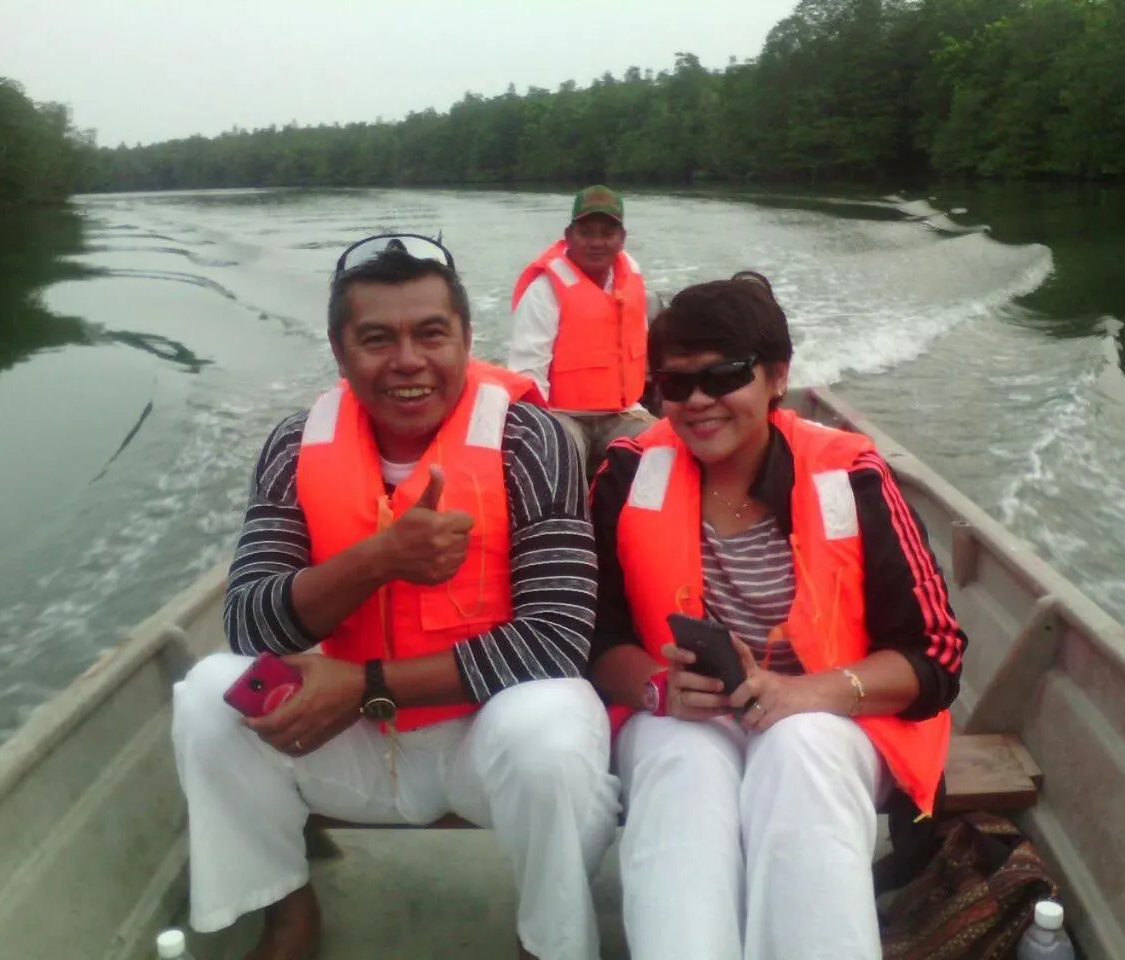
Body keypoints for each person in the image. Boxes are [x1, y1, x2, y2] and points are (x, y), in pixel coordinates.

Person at [172, 235, 621, 960]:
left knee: (556, 729)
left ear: (467, 340)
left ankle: (549, 944)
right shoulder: (293, 446)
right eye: (377, 338)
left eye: (431, 333)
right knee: (208, 695)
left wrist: (365, 686)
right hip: (347, 747)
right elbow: (249, 617)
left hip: (486, 745)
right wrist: (377, 560)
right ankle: (287, 915)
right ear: (340, 351)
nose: (408, 360)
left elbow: (558, 637)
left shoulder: (532, 440)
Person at [588, 276, 967, 960]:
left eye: (723, 376)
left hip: (836, 721)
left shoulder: (852, 477)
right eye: (675, 385)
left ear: (777, 377)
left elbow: (935, 655)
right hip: (685, 717)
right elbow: (597, 637)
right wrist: (657, 688)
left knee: (800, 749)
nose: (698, 402)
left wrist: (804, 694)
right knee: (681, 760)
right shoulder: (625, 475)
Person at [508, 185, 658, 474]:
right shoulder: (545, 289)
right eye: (586, 232)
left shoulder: (631, 279)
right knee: (559, 456)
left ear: (622, 238)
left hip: (622, 412)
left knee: (667, 446)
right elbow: (526, 373)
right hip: (562, 415)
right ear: (568, 236)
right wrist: (543, 428)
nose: (597, 242)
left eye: (607, 233)